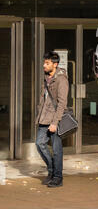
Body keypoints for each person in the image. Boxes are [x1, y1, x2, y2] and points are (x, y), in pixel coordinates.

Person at [35, 51, 69, 188]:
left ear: (55, 64)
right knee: (39, 144)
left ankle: (57, 177)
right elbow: (43, 98)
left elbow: (62, 103)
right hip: (44, 117)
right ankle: (52, 170)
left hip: (55, 119)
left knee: (56, 149)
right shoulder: (46, 78)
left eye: (47, 63)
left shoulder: (61, 79)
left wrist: (55, 122)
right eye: (44, 62)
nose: (44, 65)